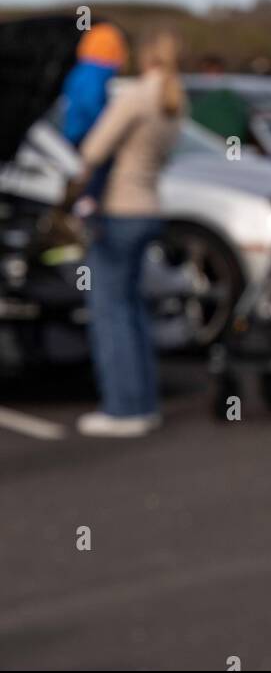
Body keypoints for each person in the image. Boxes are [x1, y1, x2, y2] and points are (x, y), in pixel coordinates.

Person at [71, 30, 185, 436]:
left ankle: (122, 409)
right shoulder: (175, 99)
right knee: (132, 310)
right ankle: (142, 403)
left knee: (110, 312)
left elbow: (92, 149)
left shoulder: (137, 95)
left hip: (120, 212)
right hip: (150, 207)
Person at [61, 21, 129, 146]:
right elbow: (90, 105)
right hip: (84, 138)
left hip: (74, 137)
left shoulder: (81, 72)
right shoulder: (94, 75)